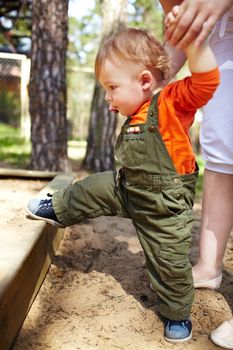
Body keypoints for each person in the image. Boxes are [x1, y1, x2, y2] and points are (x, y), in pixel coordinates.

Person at [26, 21, 219, 342]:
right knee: (92, 187)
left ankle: (177, 314)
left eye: (112, 87)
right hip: (128, 189)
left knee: (168, 262)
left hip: (164, 208)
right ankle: (58, 208)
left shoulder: (170, 103)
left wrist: (193, 43)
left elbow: (207, 81)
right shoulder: (136, 113)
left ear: (144, 81)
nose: (106, 97)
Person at [159, 0, 233, 348]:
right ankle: (208, 267)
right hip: (222, 37)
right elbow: (180, 31)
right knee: (221, 148)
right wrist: (149, 81)